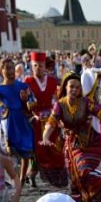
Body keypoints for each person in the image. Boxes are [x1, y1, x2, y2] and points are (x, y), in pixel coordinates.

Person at [41, 73, 101, 202]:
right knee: (76, 184)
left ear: (80, 89)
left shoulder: (86, 102)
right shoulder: (60, 105)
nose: (74, 89)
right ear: (65, 87)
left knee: (84, 172)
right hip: (72, 145)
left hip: (91, 144)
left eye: (77, 87)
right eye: (71, 86)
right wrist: (45, 136)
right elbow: (51, 123)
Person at [25, 51, 68, 188]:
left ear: (45, 66)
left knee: (55, 147)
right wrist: (32, 112)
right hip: (36, 121)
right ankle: (33, 174)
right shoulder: (28, 81)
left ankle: (57, 176)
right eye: (35, 65)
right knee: (40, 150)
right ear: (32, 66)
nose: (38, 68)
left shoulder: (52, 80)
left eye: (41, 65)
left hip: (51, 119)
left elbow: (57, 99)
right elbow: (28, 102)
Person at [0, 58, 35, 186]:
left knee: (26, 153)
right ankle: (14, 179)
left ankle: (21, 181)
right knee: (11, 153)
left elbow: (32, 106)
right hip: (9, 123)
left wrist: (25, 100)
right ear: (1, 70)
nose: (10, 71)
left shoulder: (23, 86)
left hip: (23, 122)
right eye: (7, 68)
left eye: (12, 67)